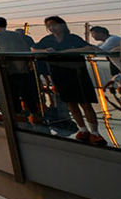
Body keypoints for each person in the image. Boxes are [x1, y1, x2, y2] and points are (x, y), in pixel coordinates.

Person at [32, 16, 106, 145]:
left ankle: (95, 132)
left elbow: (88, 48)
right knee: (70, 103)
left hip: (77, 74)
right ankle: (83, 129)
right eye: (49, 26)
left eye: (54, 24)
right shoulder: (47, 40)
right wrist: (45, 51)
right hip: (59, 74)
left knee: (85, 103)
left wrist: (65, 52)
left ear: (62, 25)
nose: (51, 28)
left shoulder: (73, 38)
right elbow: (33, 49)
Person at [0, 17, 41, 124]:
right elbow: (25, 48)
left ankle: (17, 113)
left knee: (12, 91)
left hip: (7, 66)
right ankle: (33, 113)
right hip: (21, 65)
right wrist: (29, 61)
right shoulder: (17, 35)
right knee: (26, 90)